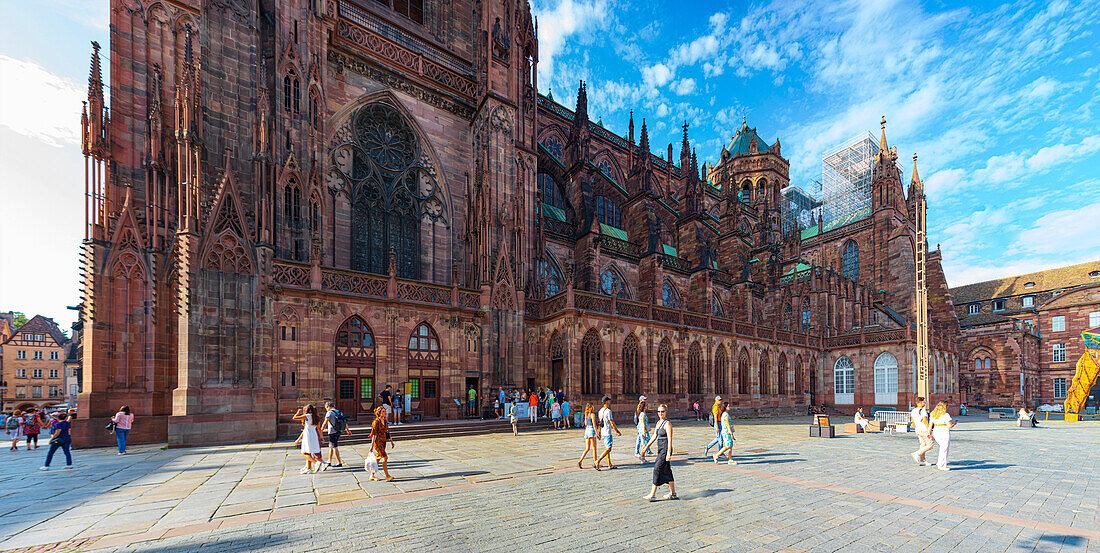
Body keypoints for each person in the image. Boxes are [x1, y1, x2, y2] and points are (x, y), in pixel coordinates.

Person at [642, 404, 676, 501]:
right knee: (667, 470)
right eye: (659, 411)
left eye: (662, 411)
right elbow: (654, 436)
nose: (660, 413)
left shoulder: (667, 424)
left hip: (665, 449)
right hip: (660, 449)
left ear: (666, 412)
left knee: (657, 469)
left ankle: (652, 494)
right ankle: (673, 493)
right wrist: (646, 447)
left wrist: (669, 453)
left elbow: (670, 439)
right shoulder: (659, 423)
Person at [320, 402, 352, 470]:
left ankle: (339, 462)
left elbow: (325, 422)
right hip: (339, 430)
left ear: (328, 406)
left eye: (326, 408)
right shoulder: (339, 412)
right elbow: (344, 421)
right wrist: (347, 430)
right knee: (331, 445)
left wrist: (320, 430)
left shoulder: (329, 413)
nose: (326, 410)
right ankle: (329, 461)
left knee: (334, 447)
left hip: (332, 432)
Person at [292, 404, 323, 474]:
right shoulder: (316, 417)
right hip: (313, 434)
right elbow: (318, 428)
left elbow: (294, 418)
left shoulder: (308, 416)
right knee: (308, 452)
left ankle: (316, 463)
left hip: (308, 435)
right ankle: (308, 468)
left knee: (304, 453)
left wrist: (298, 413)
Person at [369, 406, 396, 481]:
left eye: (385, 411)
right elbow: (374, 434)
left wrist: (391, 441)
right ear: (379, 413)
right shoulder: (376, 422)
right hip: (377, 442)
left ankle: (372, 475)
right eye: (383, 411)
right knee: (385, 457)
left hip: (383, 441)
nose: (385, 413)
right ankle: (387, 476)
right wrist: (371, 446)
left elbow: (387, 432)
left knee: (378, 459)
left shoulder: (385, 421)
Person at [595, 396, 622, 470]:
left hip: (603, 432)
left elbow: (600, 423)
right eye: (609, 401)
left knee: (607, 448)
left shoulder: (600, 411)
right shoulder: (608, 411)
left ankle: (610, 464)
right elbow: (612, 422)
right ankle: (598, 461)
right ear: (606, 402)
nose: (609, 402)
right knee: (609, 449)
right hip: (607, 432)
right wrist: (617, 431)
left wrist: (599, 432)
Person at [929, 401, 956, 471]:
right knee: (944, 449)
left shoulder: (933, 414)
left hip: (936, 431)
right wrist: (954, 424)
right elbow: (949, 426)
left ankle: (939, 462)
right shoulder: (945, 415)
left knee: (942, 447)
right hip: (944, 431)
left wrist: (929, 433)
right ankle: (942, 465)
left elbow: (930, 425)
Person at [909, 397, 934, 466]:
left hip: (917, 429)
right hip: (924, 429)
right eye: (923, 402)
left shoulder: (913, 411)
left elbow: (913, 422)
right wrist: (929, 430)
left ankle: (922, 460)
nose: (924, 403)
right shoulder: (922, 410)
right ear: (920, 402)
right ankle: (917, 453)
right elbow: (925, 421)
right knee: (930, 445)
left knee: (923, 445)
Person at [577, 403, 599, 469]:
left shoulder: (586, 414)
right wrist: (597, 433)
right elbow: (594, 425)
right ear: (591, 407)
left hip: (587, 430)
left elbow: (586, 423)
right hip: (591, 430)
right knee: (594, 448)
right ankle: (595, 463)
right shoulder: (592, 415)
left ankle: (580, 461)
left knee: (587, 448)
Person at [634, 397, 650, 463]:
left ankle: (643, 457)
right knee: (645, 445)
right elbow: (643, 424)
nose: (647, 406)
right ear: (644, 407)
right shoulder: (643, 414)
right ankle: (642, 457)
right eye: (646, 406)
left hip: (643, 431)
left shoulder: (641, 414)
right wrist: (644, 433)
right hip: (644, 431)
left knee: (645, 444)